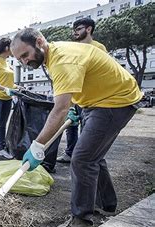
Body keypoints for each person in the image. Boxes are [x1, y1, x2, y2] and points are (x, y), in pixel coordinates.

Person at [10, 28, 142, 227]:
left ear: (39, 41)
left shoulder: (62, 60)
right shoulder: (53, 56)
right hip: (96, 101)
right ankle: (106, 205)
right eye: (20, 60)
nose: (24, 62)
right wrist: (75, 106)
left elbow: (59, 109)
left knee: (82, 158)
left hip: (115, 101)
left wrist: (38, 145)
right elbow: (73, 89)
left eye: (25, 55)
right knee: (92, 154)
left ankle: (81, 218)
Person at [57, 17, 108, 163]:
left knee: (86, 128)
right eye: (74, 30)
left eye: (78, 29)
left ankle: (83, 155)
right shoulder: (75, 49)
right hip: (76, 95)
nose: (75, 33)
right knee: (71, 125)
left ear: (89, 29)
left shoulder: (99, 48)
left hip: (92, 98)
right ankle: (69, 153)